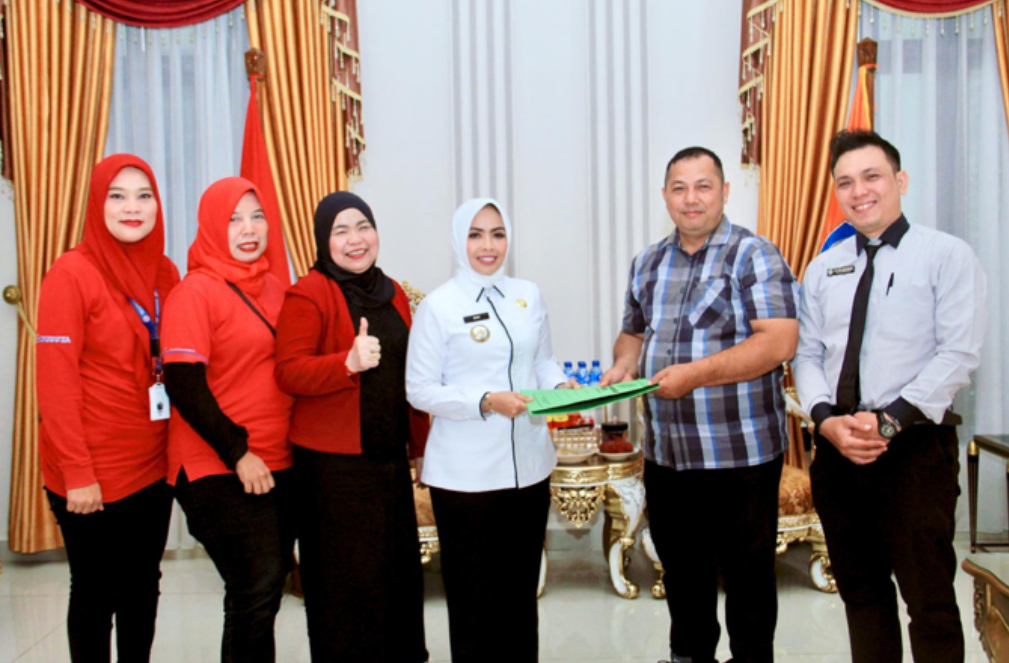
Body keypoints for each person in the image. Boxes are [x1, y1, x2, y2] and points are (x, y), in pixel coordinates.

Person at [600, 147, 800, 663]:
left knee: (748, 582)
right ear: (665, 195)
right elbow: (632, 333)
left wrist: (693, 376)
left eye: (703, 186)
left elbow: (778, 342)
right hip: (668, 455)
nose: (691, 199)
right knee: (683, 578)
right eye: (679, 188)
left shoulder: (754, 255)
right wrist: (622, 367)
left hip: (741, 454)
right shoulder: (647, 262)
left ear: (724, 192)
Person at [793, 130, 986, 663]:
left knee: (929, 601)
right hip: (839, 450)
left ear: (900, 180)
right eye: (845, 182)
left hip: (914, 451)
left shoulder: (946, 255)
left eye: (871, 177)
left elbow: (959, 352)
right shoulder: (823, 267)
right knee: (862, 596)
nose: (859, 192)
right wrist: (825, 419)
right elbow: (807, 354)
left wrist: (890, 421)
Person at [406, 198, 575, 663]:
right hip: (466, 480)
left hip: (530, 471)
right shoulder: (439, 306)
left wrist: (562, 387)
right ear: (459, 240)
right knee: (474, 604)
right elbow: (419, 390)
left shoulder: (527, 295)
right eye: (476, 234)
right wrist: (484, 402)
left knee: (521, 599)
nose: (488, 245)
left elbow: (543, 361)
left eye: (498, 234)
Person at [274, 192, 429, 663]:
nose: (355, 239)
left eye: (363, 226)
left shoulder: (394, 292)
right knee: (346, 591)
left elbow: (410, 376)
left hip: (388, 464)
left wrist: (420, 447)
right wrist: (346, 363)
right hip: (333, 473)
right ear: (324, 240)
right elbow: (288, 371)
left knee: (397, 580)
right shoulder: (308, 293)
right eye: (340, 231)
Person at [36, 154, 180, 662]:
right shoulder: (70, 273)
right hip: (89, 469)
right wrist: (78, 472)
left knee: (142, 584)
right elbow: (55, 383)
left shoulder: (166, 271)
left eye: (144, 195)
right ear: (98, 204)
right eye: (117, 196)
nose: (132, 207)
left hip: (153, 461)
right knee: (96, 590)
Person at [161, 177, 295, 663]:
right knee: (256, 582)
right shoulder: (194, 292)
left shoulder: (275, 286)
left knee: (264, 588)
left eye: (257, 216)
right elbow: (184, 385)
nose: (249, 229)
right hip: (217, 462)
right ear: (212, 227)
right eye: (234, 219)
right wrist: (239, 453)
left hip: (278, 458)